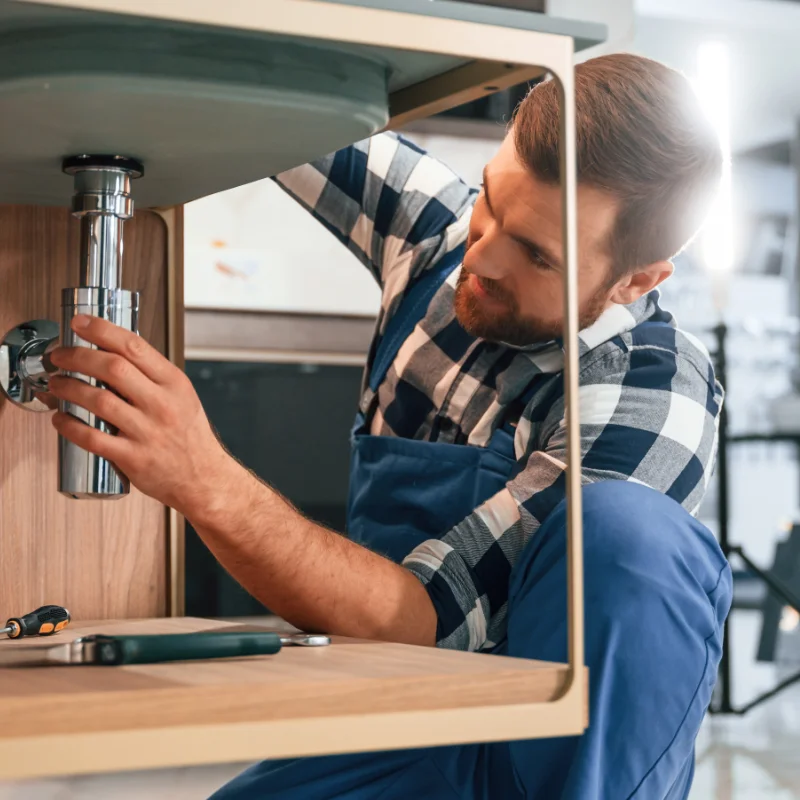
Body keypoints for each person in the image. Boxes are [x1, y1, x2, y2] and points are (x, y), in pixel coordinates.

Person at [46, 53, 732, 798]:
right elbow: (281, 105)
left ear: (636, 279)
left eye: (536, 254)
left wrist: (204, 480)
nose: (484, 256)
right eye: (494, 201)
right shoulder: (440, 238)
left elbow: (426, 615)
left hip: (536, 757)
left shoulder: (650, 386)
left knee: (630, 535)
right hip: (396, 724)